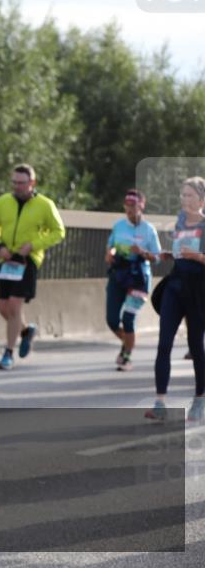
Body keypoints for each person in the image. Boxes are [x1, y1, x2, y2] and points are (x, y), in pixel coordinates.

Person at [0, 164, 66, 370]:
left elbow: (59, 232)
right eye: (14, 182)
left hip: (27, 261)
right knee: (3, 309)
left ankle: (8, 353)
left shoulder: (45, 205)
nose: (17, 187)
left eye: (21, 183)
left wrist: (33, 245)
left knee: (14, 307)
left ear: (32, 183)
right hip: (6, 260)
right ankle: (25, 331)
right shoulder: (3, 202)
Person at [144, 176, 205, 423]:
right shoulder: (179, 224)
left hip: (198, 290)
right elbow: (181, 253)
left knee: (195, 346)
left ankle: (200, 399)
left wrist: (198, 256)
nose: (184, 199)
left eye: (189, 195)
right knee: (164, 344)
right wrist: (169, 255)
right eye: (182, 195)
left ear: (202, 199)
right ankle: (160, 403)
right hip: (175, 286)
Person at [104, 189, 161, 371]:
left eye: (134, 205)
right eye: (127, 205)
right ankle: (129, 342)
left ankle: (126, 355)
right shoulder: (119, 225)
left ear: (141, 206)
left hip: (139, 278)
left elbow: (158, 257)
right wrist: (110, 254)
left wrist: (143, 253)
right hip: (119, 275)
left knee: (128, 318)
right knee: (112, 320)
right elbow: (110, 246)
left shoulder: (148, 229)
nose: (130, 209)